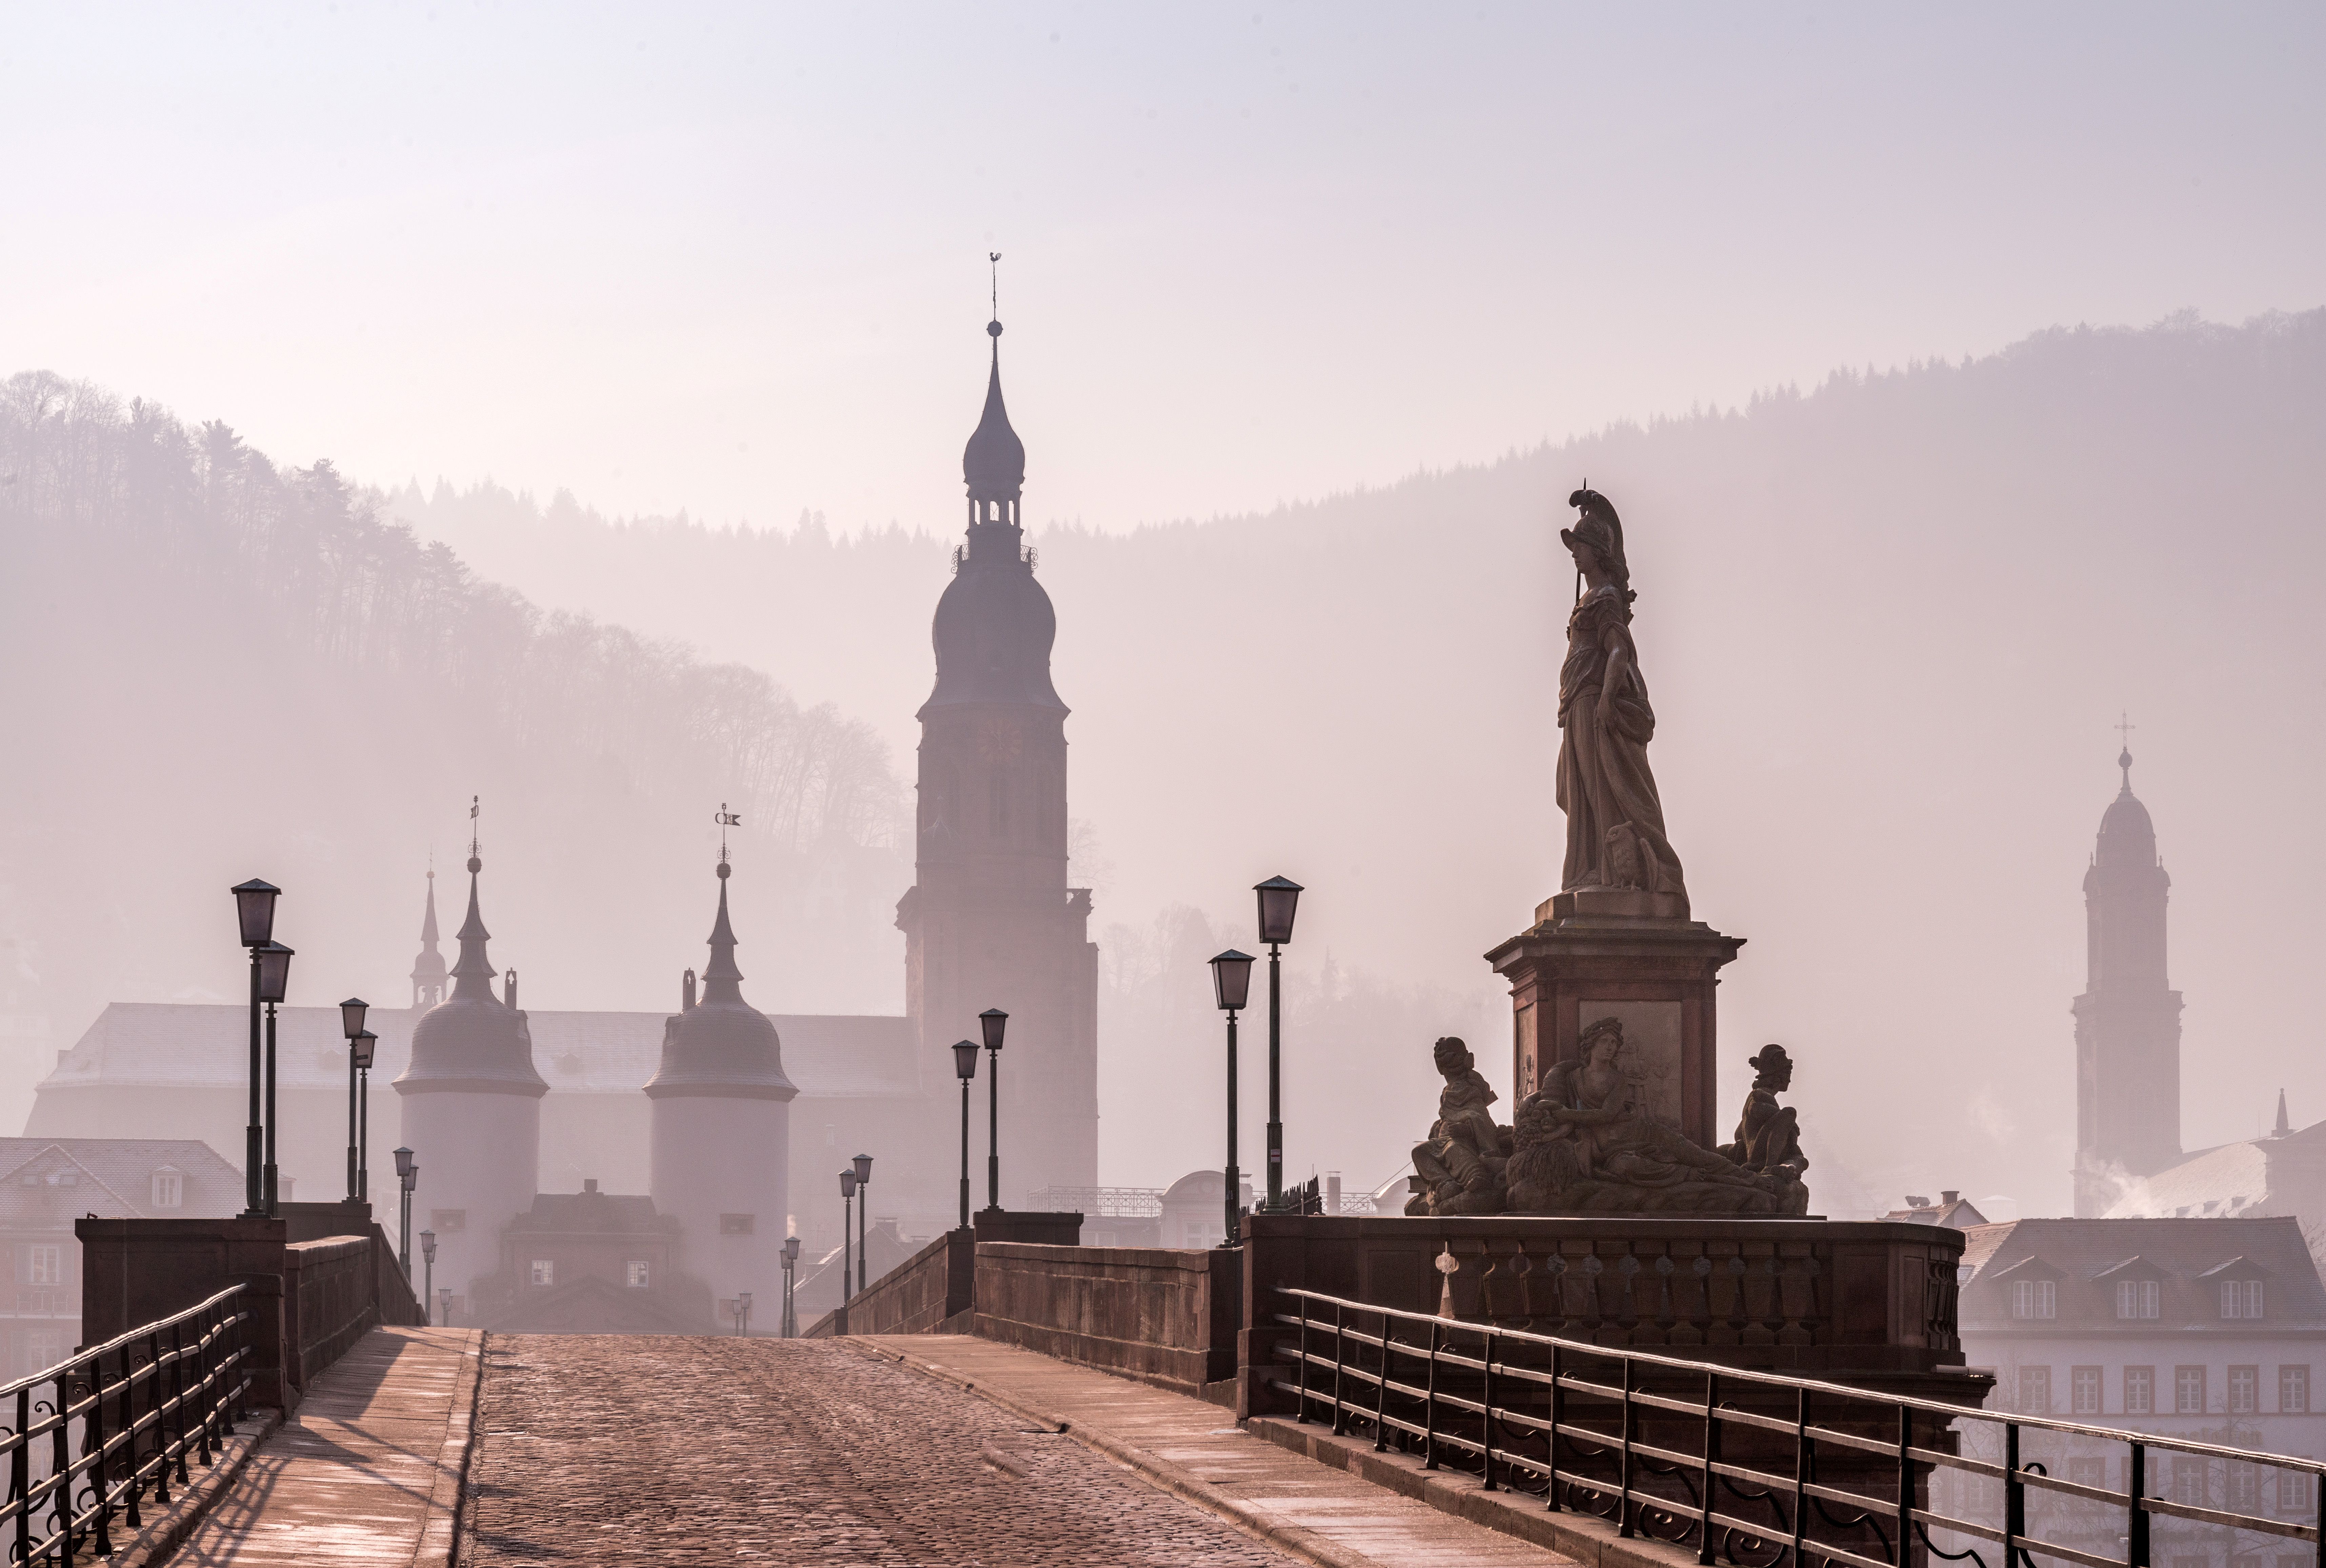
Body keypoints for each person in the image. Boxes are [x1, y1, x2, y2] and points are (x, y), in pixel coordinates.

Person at [1556, 489, 1686, 904]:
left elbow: (1618, 650)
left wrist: (1609, 698)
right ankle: (1592, 866)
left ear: (1598, 551)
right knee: (1577, 793)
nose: (1575, 554)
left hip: (1594, 700)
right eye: (1574, 547)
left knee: (1603, 788)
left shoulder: (1606, 598)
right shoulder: (1588, 600)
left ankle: (1613, 871)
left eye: (1581, 547)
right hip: (1576, 702)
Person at [1406, 1036, 1512, 1215]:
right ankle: (1445, 1183)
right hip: (1443, 1141)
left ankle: (1476, 1176)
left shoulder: (1470, 1090)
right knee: (1419, 1152)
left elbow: (1481, 1120)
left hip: (1463, 1143)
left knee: (1455, 1149)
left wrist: (1468, 1131)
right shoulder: (1448, 1093)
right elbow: (1448, 1118)